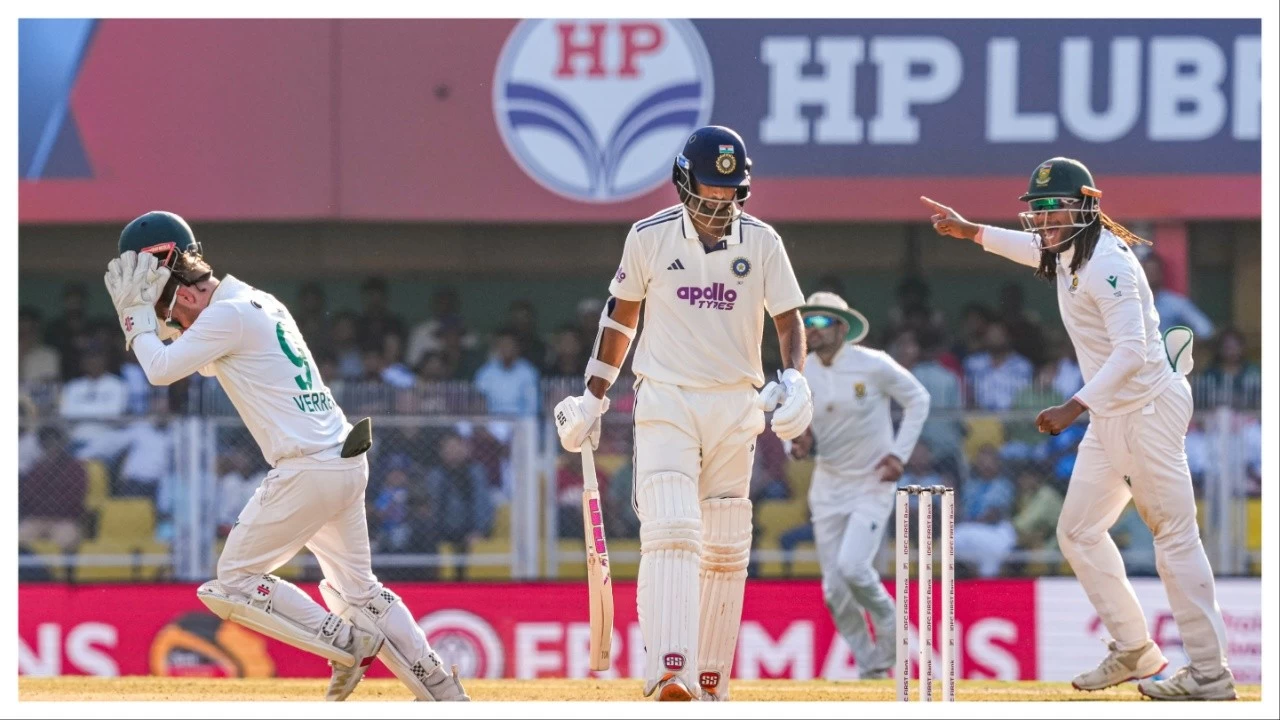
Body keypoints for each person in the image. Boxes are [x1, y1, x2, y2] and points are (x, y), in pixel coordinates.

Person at [103, 210, 468, 702]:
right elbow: (197, 359)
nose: (178, 325)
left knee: (231, 582)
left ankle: (346, 645)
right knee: (357, 592)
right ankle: (443, 690)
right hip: (343, 458)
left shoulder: (225, 316)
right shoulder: (256, 301)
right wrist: (157, 322)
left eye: (176, 314)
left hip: (308, 468)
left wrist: (137, 320)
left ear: (184, 292)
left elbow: (160, 370)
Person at [922, 156, 1235, 700]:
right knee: (1078, 532)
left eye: (1056, 207)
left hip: (1146, 409)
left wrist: (1073, 406)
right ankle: (1136, 650)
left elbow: (1134, 352)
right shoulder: (1066, 249)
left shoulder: (1107, 264)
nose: (1044, 219)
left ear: (1087, 207)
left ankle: (1210, 673)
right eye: (1038, 209)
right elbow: (1028, 249)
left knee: (1174, 538)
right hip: (1114, 413)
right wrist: (969, 230)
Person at [553, 126, 809, 701]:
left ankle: (710, 680)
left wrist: (793, 377)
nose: (719, 203)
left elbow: (789, 320)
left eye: (729, 192)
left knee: (724, 543)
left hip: (736, 404)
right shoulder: (648, 237)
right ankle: (669, 670)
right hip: (666, 397)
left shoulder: (762, 241)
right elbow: (620, 320)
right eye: (709, 190)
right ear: (683, 182)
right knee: (672, 529)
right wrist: (593, 397)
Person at [788, 292, 929, 678]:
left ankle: (891, 630)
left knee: (854, 568)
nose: (810, 331)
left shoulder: (874, 364)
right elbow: (791, 422)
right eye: (807, 323)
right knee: (834, 592)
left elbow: (919, 399)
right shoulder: (802, 372)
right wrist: (795, 443)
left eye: (819, 323)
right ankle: (873, 668)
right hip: (828, 486)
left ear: (841, 327)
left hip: (872, 482)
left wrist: (899, 454)